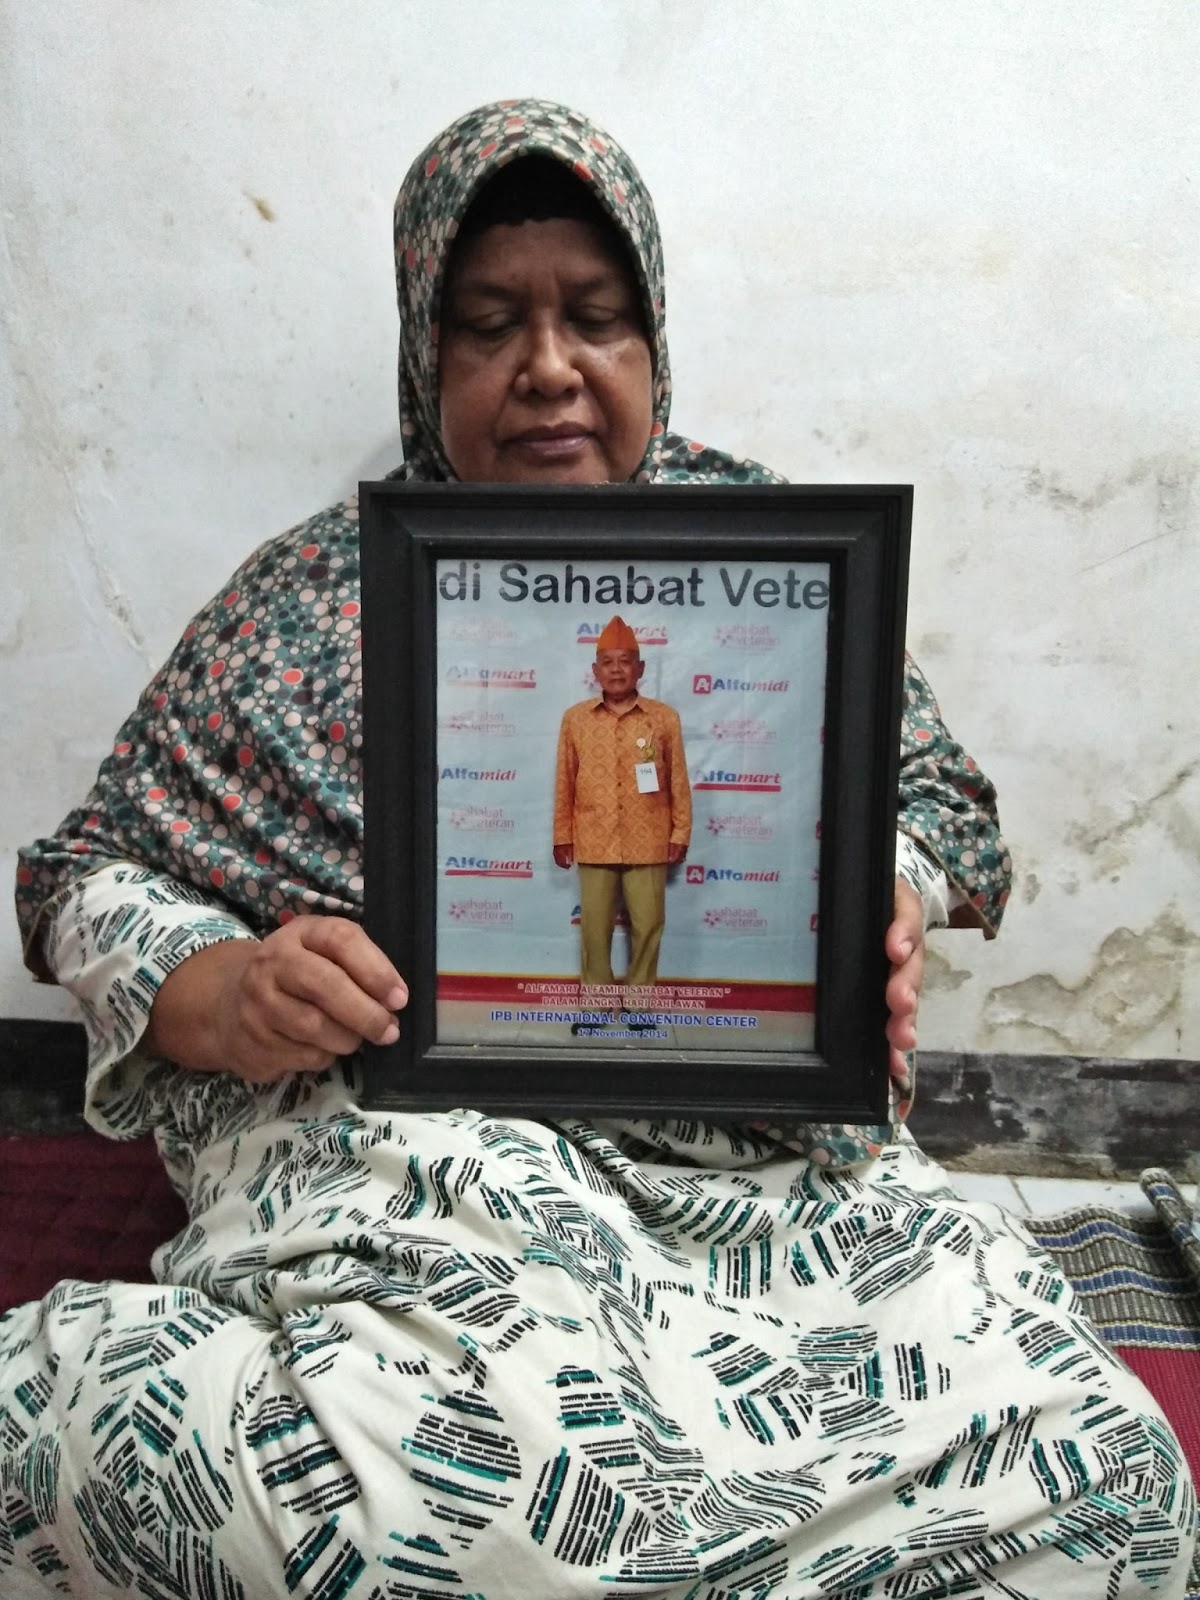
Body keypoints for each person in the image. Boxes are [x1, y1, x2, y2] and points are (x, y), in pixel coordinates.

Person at [1, 98, 1193, 1599]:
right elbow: (86, 874)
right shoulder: (304, 598)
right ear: (423, 354)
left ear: (653, 342)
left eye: (597, 318)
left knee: (1115, 1488)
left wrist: (870, 898)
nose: (550, 367)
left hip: (766, 1169)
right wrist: (224, 989)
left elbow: (939, 802)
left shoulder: (772, 560)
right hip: (419, 1163)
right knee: (477, 1512)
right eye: (490, 324)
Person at [554, 614, 690, 994]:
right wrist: (562, 835)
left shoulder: (664, 718)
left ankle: (639, 1002)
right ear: (595, 670)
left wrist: (680, 832)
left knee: (648, 926)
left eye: (625, 662)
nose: (616, 670)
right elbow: (565, 780)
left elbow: (678, 779)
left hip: (649, 839)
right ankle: (595, 1003)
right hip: (594, 838)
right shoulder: (575, 719)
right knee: (594, 931)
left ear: (640, 669)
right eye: (608, 663)